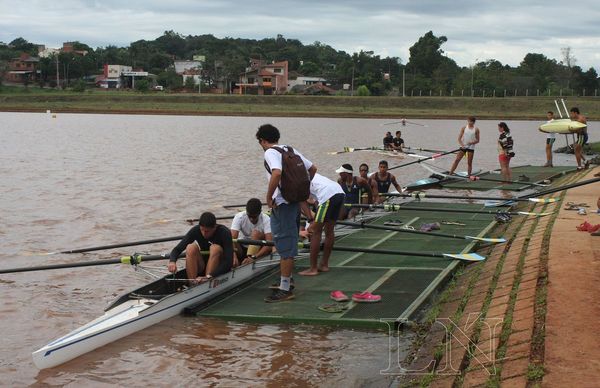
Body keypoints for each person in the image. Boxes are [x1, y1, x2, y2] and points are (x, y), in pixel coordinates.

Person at [256, 123, 316, 303]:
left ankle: (285, 289)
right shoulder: (289, 149)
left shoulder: (270, 152)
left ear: (262, 141)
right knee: (288, 243)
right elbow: (312, 169)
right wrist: (299, 189)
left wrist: (269, 196)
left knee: (284, 248)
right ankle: (287, 279)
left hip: (282, 205)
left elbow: (276, 173)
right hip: (293, 203)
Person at [298, 173, 345, 276]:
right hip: (339, 192)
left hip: (327, 195)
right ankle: (324, 264)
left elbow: (302, 202)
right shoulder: (307, 172)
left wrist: (311, 220)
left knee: (314, 231)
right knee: (329, 231)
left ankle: (313, 269)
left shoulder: (296, 180)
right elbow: (314, 201)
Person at [167, 212, 233, 284]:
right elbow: (177, 249)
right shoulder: (196, 230)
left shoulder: (224, 232)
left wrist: (209, 276)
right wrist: (172, 261)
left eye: (207, 231)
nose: (204, 233)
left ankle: (206, 283)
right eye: (202, 230)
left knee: (215, 248)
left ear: (214, 227)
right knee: (190, 247)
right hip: (203, 265)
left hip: (218, 267)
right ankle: (192, 283)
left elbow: (228, 262)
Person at [230, 198, 273, 267]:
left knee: (255, 233)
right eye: (249, 216)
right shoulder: (239, 217)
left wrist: (254, 257)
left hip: (259, 247)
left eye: (254, 217)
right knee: (231, 238)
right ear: (246, 211)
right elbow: (232, 239)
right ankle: (238, 260)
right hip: (243, 247)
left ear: (260, 212)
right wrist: (233, 255)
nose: (251, 219)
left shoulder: (266, 219)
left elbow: (269, 244)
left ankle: (249, 258)